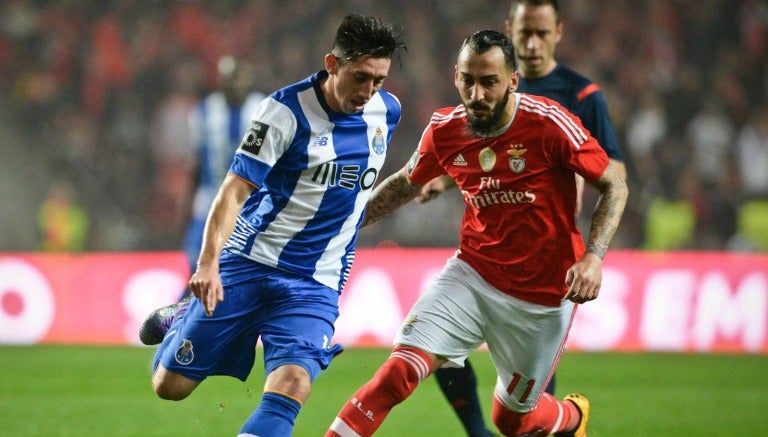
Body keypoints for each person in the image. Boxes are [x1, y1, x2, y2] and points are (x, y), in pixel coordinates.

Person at [327, 29, 627, 437]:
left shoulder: (549, 124)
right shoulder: (445, 130)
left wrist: (594, 257)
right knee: (396, 374)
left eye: (489, 82)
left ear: (512, 81)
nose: (477, 93)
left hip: (541, 297)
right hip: (472, 275)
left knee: (513, 422)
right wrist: (344, 222)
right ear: (455, 77)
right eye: (468, 79)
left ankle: (572, 418)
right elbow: (406, 182)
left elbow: (614, 183)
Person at [138, 14, 406, 437]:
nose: (368, 91)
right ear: (332, 64)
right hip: (250, 261)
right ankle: (183, 316)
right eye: (360, 77)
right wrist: (208, 264)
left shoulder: (386, 113)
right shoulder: (283, 111)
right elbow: (233, 191)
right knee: (169, 387)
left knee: (293, 384)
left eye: (379, 80)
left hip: (315, 281)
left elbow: (353, 195)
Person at [422, 2, 628, 435]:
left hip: (545, 258)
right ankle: (477, 431)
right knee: (441, 351)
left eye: (542, 33)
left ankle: (559, 423)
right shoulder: (485, 90)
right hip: (486, 249)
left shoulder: (580, 95)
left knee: (525, 403)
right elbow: (470, 155)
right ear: (509, 31)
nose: (533, 44)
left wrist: (591, 246)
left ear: (559, 32)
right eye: (524, 33)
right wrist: (441, 182)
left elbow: (613, 172)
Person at [179, 55, 266, 299]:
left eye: (241, 77)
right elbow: (196, 161)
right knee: (196, 261)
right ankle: (182, 316)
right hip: (208, 199)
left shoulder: (262, 108)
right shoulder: (203, 112)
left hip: (250, 202)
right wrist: (187, 200)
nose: (236, 83)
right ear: (222, 80)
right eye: (231, 78)